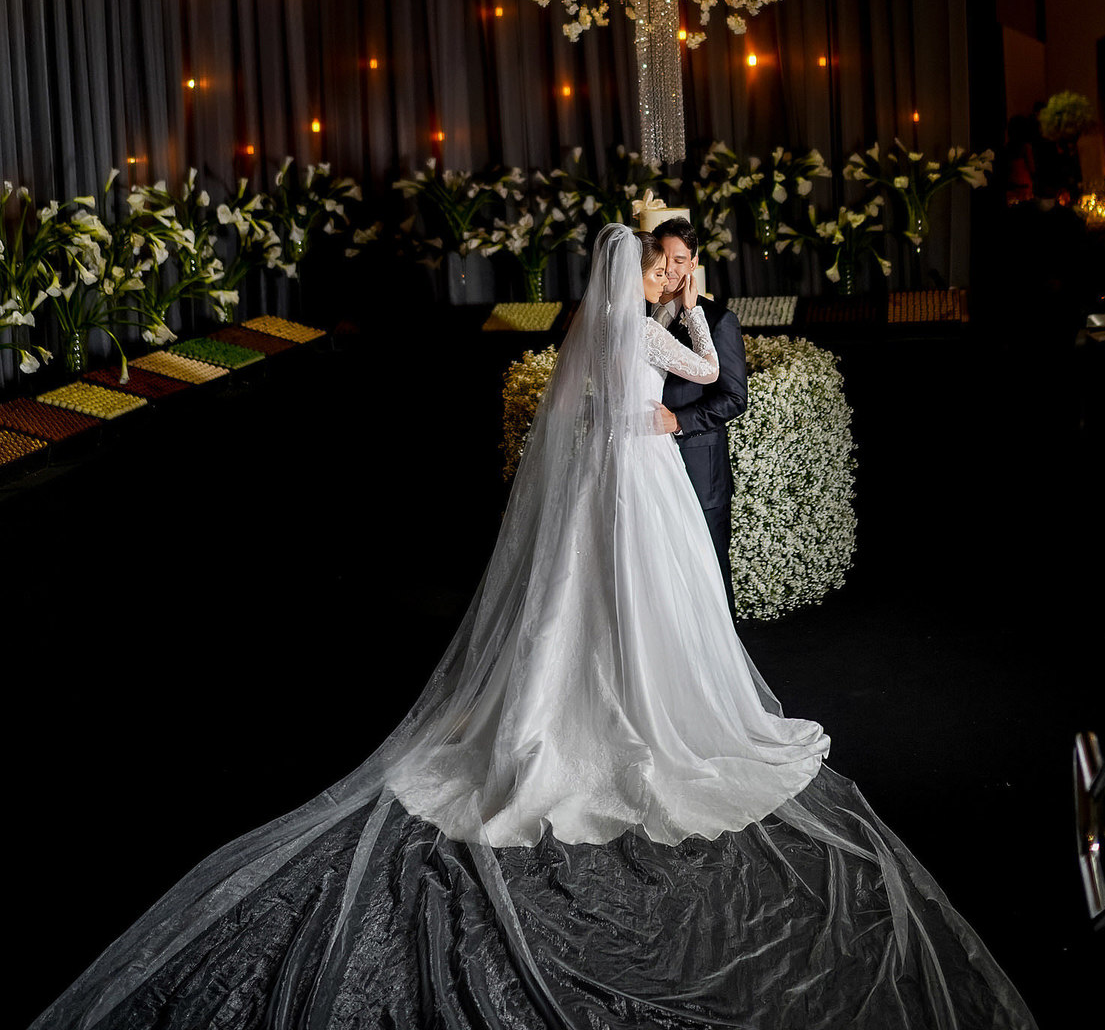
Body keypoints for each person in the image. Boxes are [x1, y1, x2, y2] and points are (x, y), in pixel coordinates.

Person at [28, 225, 1036, 1029]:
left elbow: (587, 406)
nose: (669, 277)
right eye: (661, 268)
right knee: (653, 599)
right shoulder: (646, 330)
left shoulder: (591, 329)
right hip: (644, 481)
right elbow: (699, 370)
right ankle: (642, 710)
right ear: (640, 275)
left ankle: (576, 700)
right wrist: (690, 312)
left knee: (582, 600)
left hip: (602, 479)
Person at [651, 215, 746, 617]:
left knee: (709, 570)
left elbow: (734, 397)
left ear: (693, 264)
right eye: (663, 258)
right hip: (648, 467)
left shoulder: (719, 320)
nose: (670, 269)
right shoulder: (637, 314)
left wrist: (678, 421)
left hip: (699, 467)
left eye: (680, 260)